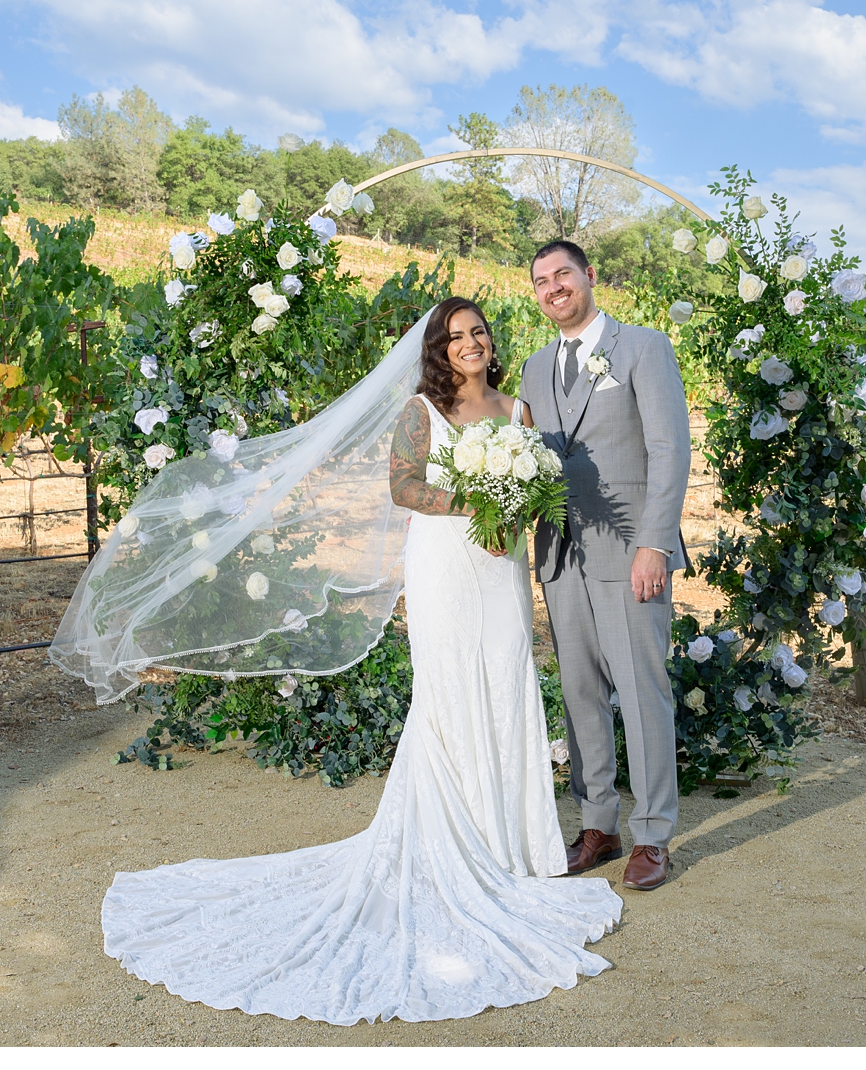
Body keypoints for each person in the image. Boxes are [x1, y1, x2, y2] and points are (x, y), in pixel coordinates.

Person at [85, 298, 621, 1025]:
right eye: (456, 337)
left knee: (505, 684)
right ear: (438, 350)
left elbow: (531, 493)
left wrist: (513, 508)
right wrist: (475, 498)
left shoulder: (518, 411)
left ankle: (512, 846)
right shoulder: (421, 414)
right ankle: (455, 846)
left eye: (479, 332)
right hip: (442, 565)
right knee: (449, 694)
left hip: (500, 571)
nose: (471, 343)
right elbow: (401, 486)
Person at [519, 240, 692, 891]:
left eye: (563, 274)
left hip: (631, 554)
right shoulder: (536, 369)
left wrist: (656, 543)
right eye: (541, 281)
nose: (553, 287)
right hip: (561, 555)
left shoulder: (643, 348)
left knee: (643, 694)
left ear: (589, 277)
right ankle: (600, 824)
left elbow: (669, 449)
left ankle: (653, 834)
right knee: (580, 694)